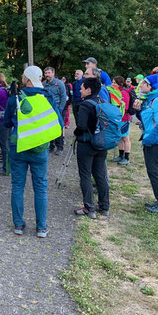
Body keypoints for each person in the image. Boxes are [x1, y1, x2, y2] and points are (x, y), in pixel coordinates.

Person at [4, 66, 63, 238]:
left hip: (19, 147)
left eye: (23, 77)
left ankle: (18, 225)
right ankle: (41, 228)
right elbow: (58, 122)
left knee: (17, 186)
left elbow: (7, 123)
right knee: (40, 188)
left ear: (27, 79)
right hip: (39, 149)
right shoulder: (48, 97)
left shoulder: (14, 98)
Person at [133, 74, 158, 213]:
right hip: (157, 142)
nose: (141, 86)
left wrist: (148, 141)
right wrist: (138, 112)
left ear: (151, 86)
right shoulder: (151, 100)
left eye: (144, 83)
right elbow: (149, 120)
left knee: (156, 174)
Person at [73, 77, 110, 219]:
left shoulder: (85, 105)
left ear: (88, 90)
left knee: (85, 175)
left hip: (87, 144)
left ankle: (89, 207)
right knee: (100, 175)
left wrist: (76, 134)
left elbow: (81, 126)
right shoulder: (103, 102)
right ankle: (104, 206)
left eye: (82, 88)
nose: (80, 90)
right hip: (102, 143)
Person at [43, 67, 67, 155]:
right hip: (47, 110)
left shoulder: (59, 84)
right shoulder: (44, 84)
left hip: (57, 109)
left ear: (53, 73)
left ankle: (60, 147)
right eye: (46, 73)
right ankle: (50, 146)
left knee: (58, 129)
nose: (47, 75)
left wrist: (60, 109)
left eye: (49, 73)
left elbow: (64, 97)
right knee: (48, 128)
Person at [111, 76, 132, 165]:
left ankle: (126, 158)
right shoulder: (115, 92)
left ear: (120, 84)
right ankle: (120, 155)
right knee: (120, 137)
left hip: (125, 118)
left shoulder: (124, 93)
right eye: (112, 82)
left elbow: (125, 107)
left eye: (115, 83)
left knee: (125, 138)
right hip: (119, 118)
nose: (113, 84)